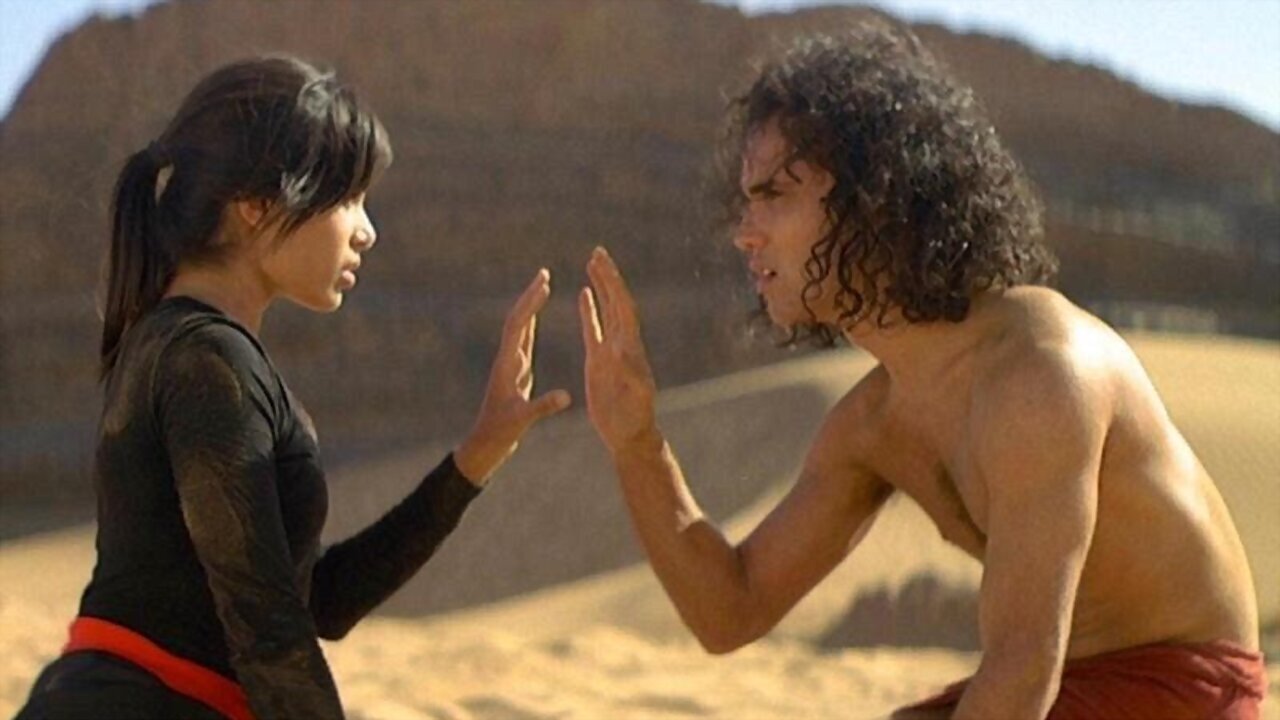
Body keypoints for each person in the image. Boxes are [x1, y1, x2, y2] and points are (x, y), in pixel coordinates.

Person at [577, 22, 1266, 720]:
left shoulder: (1039, 375)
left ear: (873, 197)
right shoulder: (873, 424)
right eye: (746, 201)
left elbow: (1022, 672)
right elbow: (731, 610)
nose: (744, 232)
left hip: (1184, 692)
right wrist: (638, 444)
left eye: (774, 195)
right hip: (1067, 688)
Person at [16, 56, 569, 720]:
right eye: (348, 198)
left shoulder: (189, 348)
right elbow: (266, 625)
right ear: (256, 205)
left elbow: (316, 601)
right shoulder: (206, 360)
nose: (367, 231)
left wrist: (478, 455)